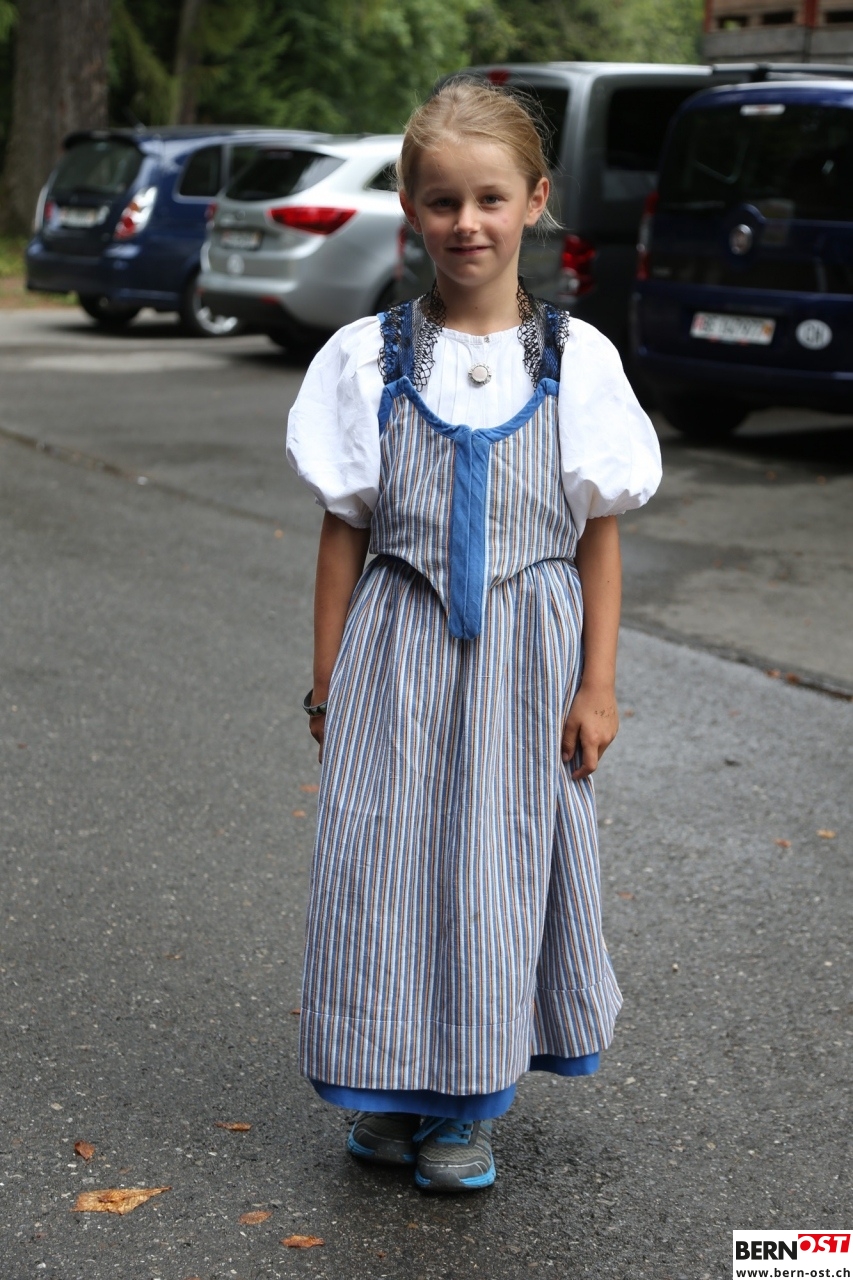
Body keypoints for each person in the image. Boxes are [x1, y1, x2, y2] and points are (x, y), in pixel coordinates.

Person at [286, 77, 661, 1194]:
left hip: (528, 659)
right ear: (410, 205)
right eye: (442, 199)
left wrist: (597, 683)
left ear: (534, 201)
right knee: (386, 863)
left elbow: (596, 537)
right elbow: (343, 532)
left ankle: (465, 1101)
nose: (467, 223)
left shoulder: (578, 361)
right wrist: (326, 682)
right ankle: (388, 1087)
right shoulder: (368, 357)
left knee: (499, 867)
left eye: (490, 198)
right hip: (396, 649)